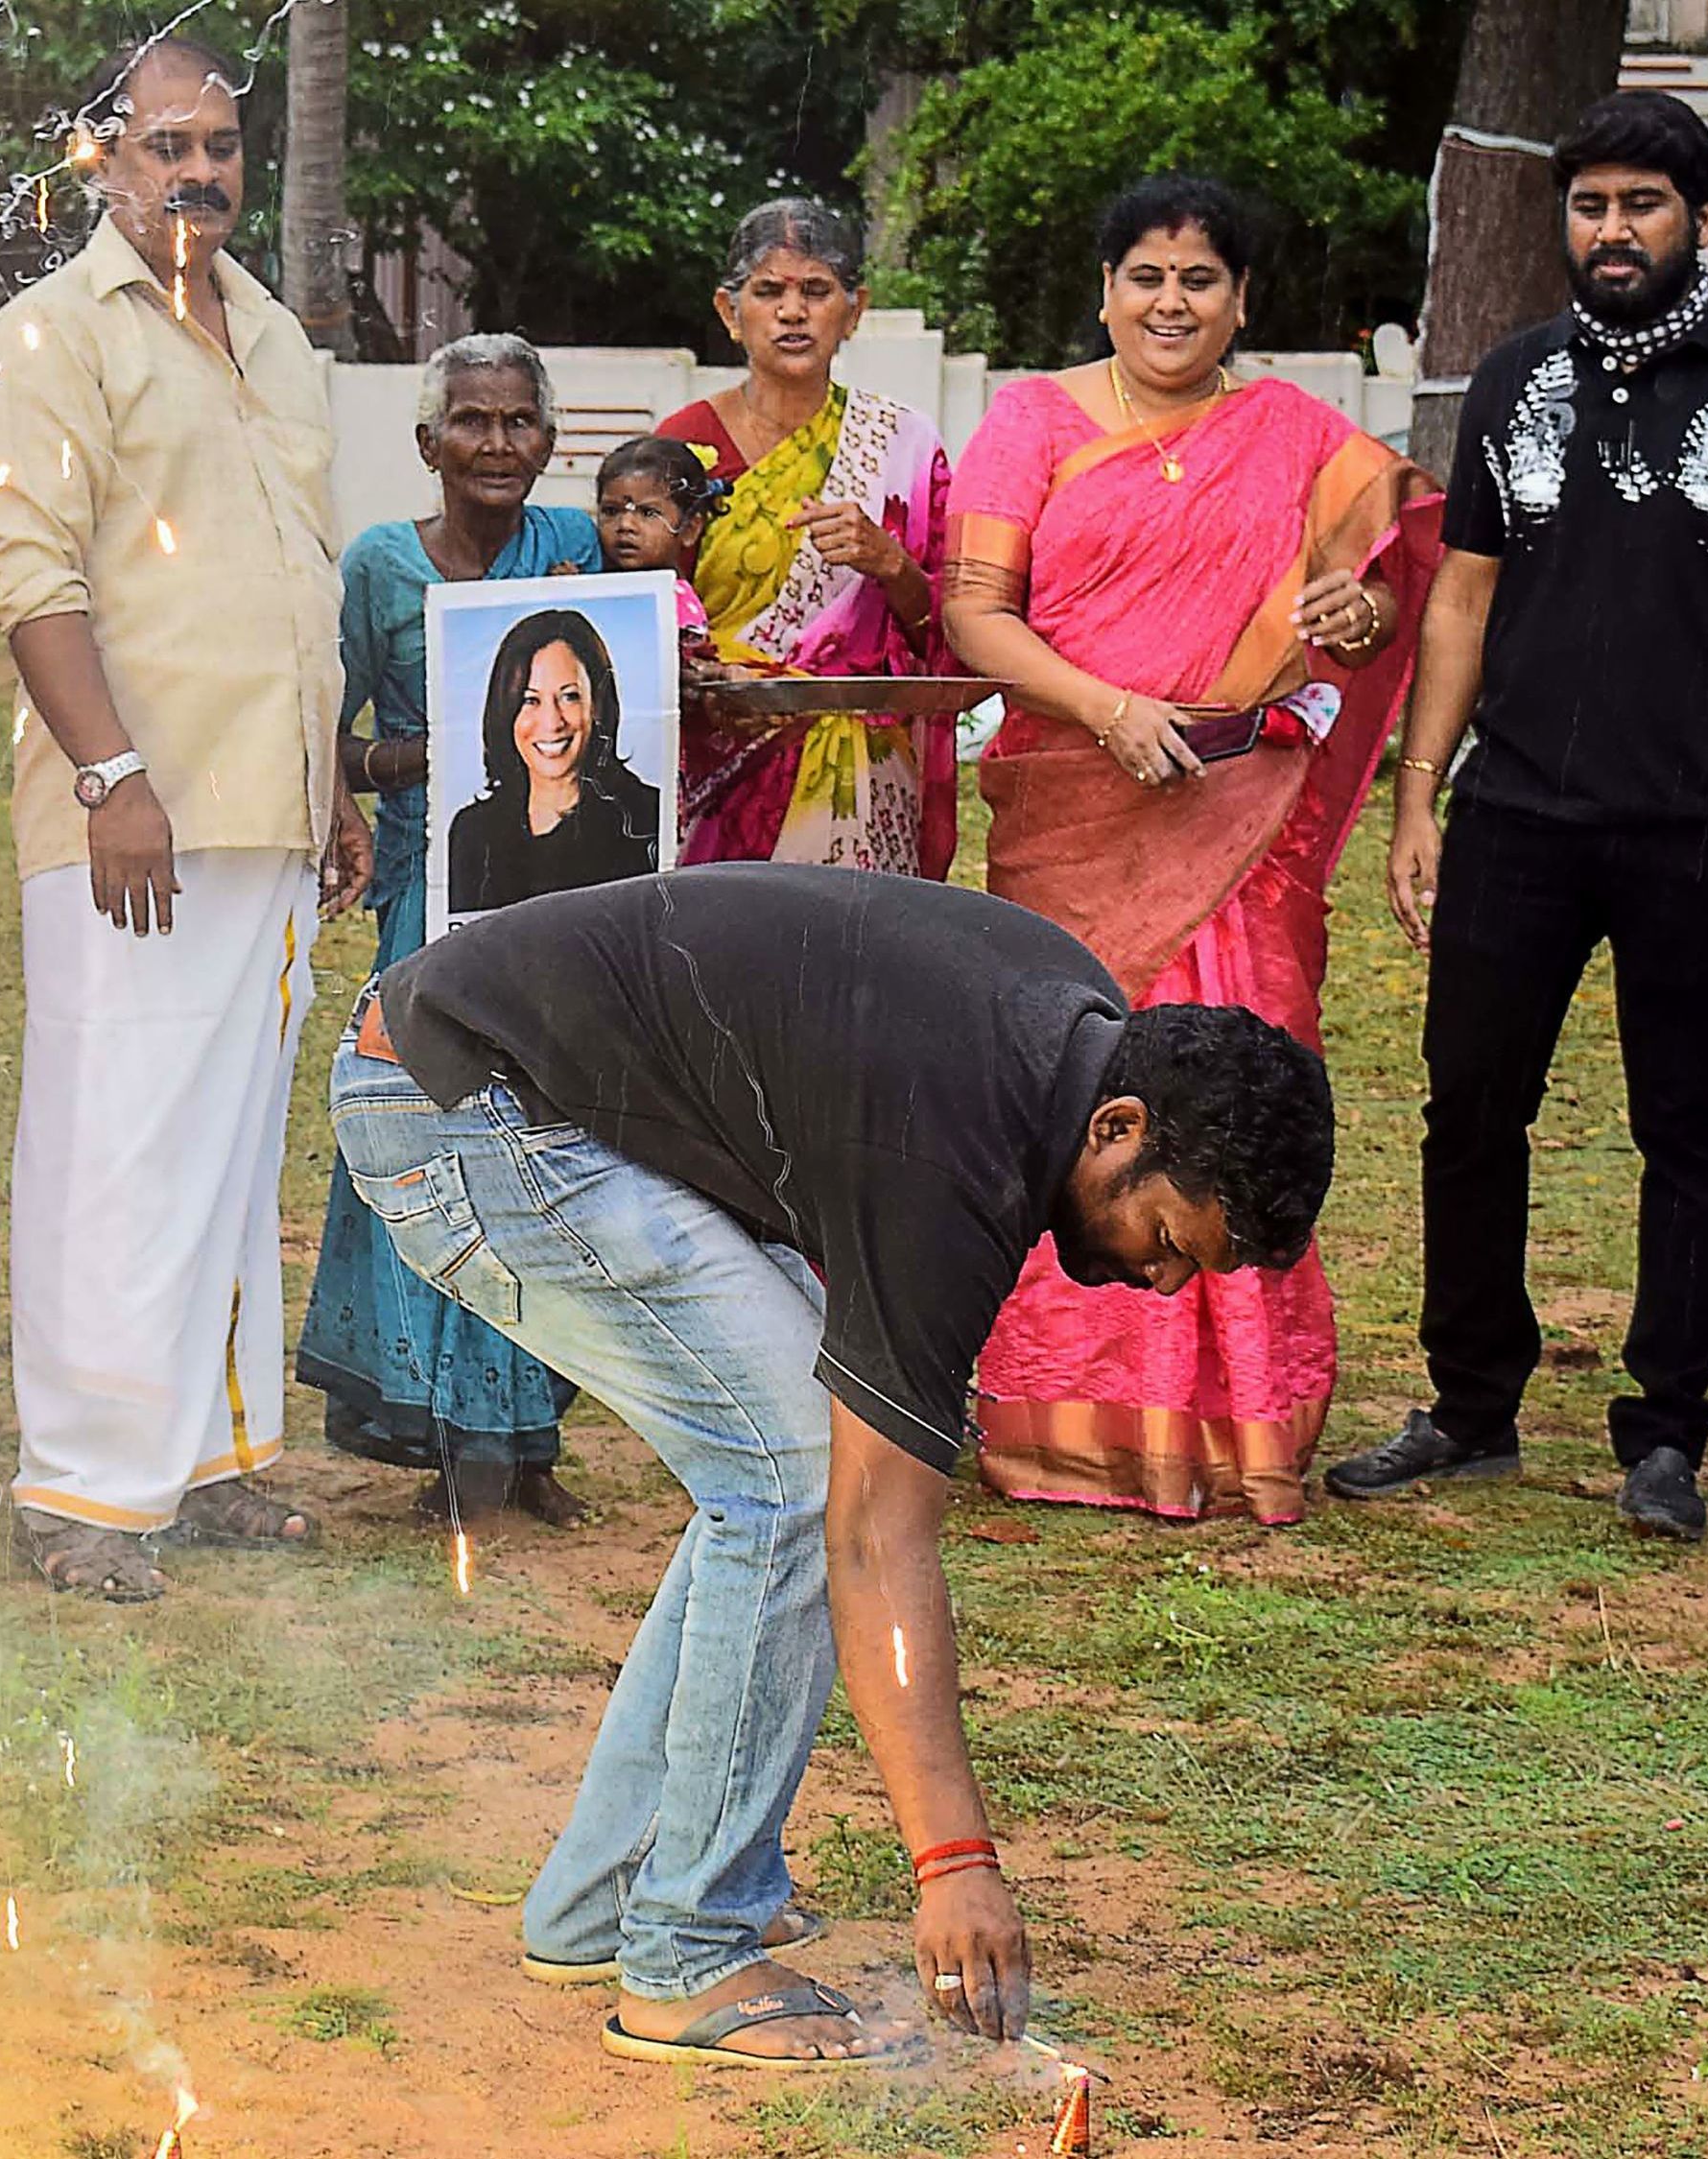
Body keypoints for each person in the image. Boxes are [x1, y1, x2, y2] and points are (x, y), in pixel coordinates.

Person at [339, 864, 1332, 2067]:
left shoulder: (1070, 1034)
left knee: (775, 1471)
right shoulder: (951, 1149)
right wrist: (954, 1862)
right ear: (1117, 1131)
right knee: (796, 1480)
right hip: (466, 1110)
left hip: (503, 1079)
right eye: (1169, 1239)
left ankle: (613, 1898)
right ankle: (685, 1952)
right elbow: (871, 1538)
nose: (1162, 1282)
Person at [940, 175, 1436, 1526]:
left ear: (1242, 301)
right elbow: (976, 617)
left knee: (1243, 1100)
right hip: (1075, 815)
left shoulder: (1292, 434)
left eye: (1201, 280)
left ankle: (1235, 1431)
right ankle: (1062, 1419)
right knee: (1072, 1096)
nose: (1172, 302)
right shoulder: (1032, 420)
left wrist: (1355, 608)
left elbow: (1393, 582)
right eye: (1147, 276)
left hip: (1242, 822)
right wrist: (1108, 709)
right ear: (1105, 288)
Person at [1333, 94, 1708, 1542]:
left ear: (1700, 223)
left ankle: (1664, 1433)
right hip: (1517, 810)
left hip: (1707, 816)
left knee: (1687, 1126)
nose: (1612, 232)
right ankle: (1471, 1408)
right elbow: (1461, 594)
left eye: (1643, 207)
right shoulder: (1517, 375)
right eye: (1590, 206)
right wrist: (1420, 791)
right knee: (1470, 1107)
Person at [0, 35, 369, 1601]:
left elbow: (298, 582)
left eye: (222, 147)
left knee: (230, 1146)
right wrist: (111, 776)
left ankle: (202, 1455)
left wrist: (333, 788)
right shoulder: (49, 338)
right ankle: (81, 1488)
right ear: (103, 161)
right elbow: (29, 583)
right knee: (113, 1145)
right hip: (135, 815)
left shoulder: (270, 334)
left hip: (271, 803)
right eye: (168, 146)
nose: (200, 172)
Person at [300, 334, 599, 1532]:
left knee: (544, 1141)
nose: (494, 444)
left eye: (517, 422)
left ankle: (524, 1436)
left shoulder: (572, 549)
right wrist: (406, 760)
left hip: (561, 893)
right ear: (428, 444)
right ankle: (441, 1430)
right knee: (429, 1133)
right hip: (430, 897)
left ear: (545, 440)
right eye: (468, 422)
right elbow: (331, 731)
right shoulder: (379, 566)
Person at [656, 201, 957, 876]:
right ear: (731, 313)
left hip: (861, 779)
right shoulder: (681, 445)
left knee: (850, 973)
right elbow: (644, 607)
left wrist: (890, 563)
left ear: (853, 311)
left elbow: (951, 633)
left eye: (816, 291)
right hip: (720, 767)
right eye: (769, 292)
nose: (793, 312)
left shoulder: (903, 446)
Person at [441, 607, 660, 912]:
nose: (552, 721)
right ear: (506, 710)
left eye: (569, 696)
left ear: (597, 704)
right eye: (530, 700)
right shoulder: (473, 831)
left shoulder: (648, 816)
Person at [594, 435, 719, 623]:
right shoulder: (593, 580)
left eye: (648, 513)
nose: (625, 525)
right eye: (611, 511)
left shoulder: (677, 606)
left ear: (689, 529)